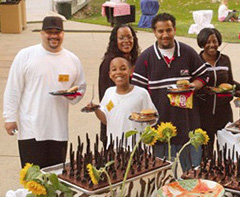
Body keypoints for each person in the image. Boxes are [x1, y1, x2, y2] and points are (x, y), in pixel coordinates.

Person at [3, 16, 86, 168]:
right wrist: (9, 117)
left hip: (58, 130)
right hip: (31, 129)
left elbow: (80, 88)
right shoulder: (26, 55)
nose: (53, 36)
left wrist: (71, 96)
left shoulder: (72, 59)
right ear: (41, 33)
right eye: (49, 32)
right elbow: (13, 87)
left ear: (63, 34)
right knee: (32, 181)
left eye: (58, 32)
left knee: (54, 180)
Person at [131, 13, 209, 172]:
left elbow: (203, 76)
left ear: (174, 29)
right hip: (159, 130)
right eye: (160, 31)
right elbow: (137, 92)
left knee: (192, 173)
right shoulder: (146, 58)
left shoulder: (187, 52)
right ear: (154, 32)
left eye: (168, 30)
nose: (165, 35)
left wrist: (192, 86)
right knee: (163, 175)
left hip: (188, 127)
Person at [90, 57, 157, 148]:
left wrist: (148, 119)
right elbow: (106, 120)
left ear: (131, 71)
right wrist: (95, 109)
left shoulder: (141, 93)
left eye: (123, 69)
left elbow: (153, 118)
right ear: (110, 74)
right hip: (114, 147)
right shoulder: (109, 92)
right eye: (114, 69)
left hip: (137, 148)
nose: (118, 72)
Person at [196, 28, 240, 159]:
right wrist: (205, 91)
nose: (212, 45)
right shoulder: (197, 62)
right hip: (204, 114)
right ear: (202, 43)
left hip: (224, 114)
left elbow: (230, 82)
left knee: (227, 150)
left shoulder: (225, 60)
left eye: (214, 41)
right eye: (208, 42)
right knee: (205, 153)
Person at [98, 24, 140, 142]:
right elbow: (105, 96)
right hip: (116, 124)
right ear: (115, 40)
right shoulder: (109, 63)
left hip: (135, 123)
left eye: (129, 37)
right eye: (121, 38)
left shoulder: (136, 60)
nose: (126, 41)